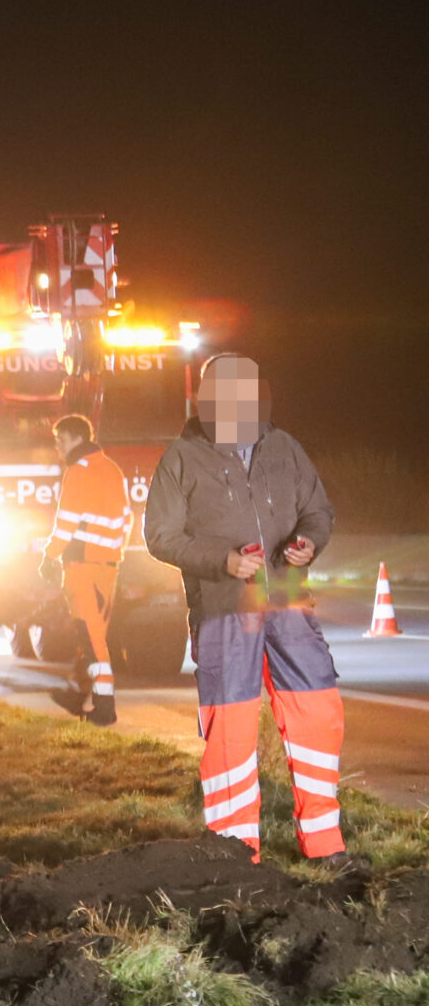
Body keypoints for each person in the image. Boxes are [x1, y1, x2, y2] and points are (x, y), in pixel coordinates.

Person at [144, 353, 357, 869]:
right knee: (231, 726)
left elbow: (317, 509)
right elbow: (160, 536)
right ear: (206, 397)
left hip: (286, 599)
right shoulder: (181, 456)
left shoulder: (284, 447)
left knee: (318, 713)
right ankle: (235, 854)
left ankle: (325, 846)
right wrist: (223, 562)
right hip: (223, 608)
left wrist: (309, 542)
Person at [42, 413, 130, 725]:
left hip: (82, 566)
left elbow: (65, 523)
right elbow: (124, 520)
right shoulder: (111, 468)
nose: (58, 448)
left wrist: (50, 555)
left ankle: (105, 709)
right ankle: (80, 694)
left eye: (61, 441)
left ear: (78, 439)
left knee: (92, 640)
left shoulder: (77, 472)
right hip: (108, 566)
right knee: (93, 636)